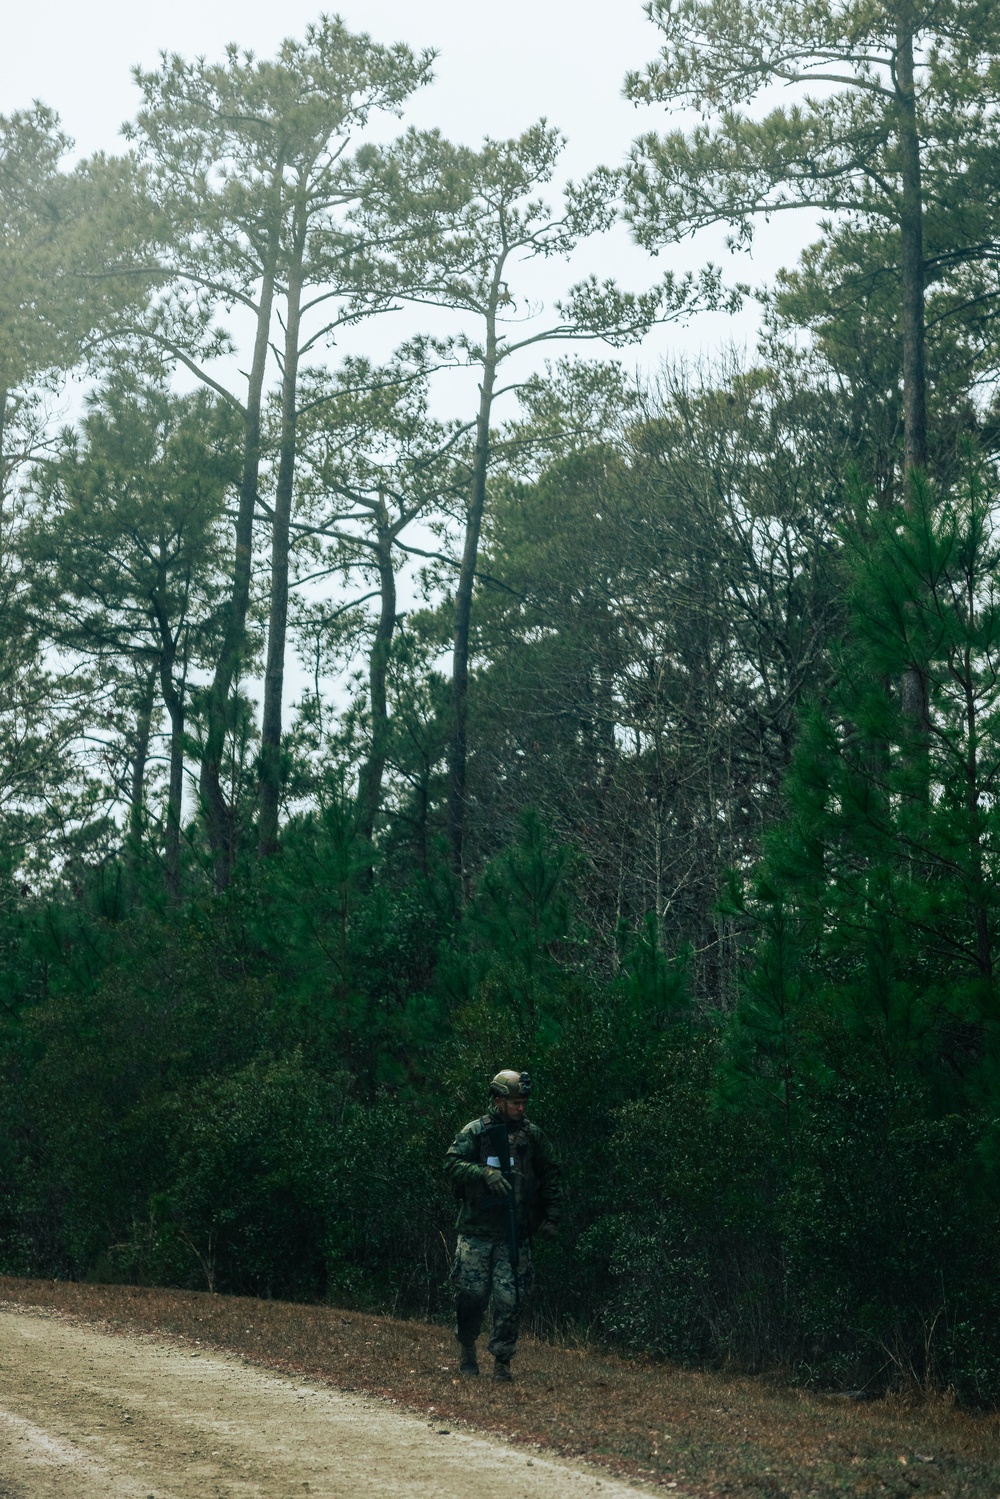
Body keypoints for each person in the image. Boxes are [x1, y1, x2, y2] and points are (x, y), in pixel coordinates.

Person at [443, 1068, 561, 1382]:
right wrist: (483, 1173)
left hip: (514, 1232)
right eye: (513, 1102)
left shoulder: (532, 1135)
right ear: (497, 1100)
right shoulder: (475, 1131)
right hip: (476, 1232)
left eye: (523, 1102)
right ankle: (467, 1346)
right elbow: (451, 1163)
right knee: (472, 1295)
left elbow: (550, 1175)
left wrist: (551, 1218)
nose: (520, 1108)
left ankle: (502, 1363)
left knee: (511, 1300)